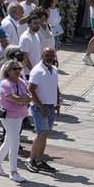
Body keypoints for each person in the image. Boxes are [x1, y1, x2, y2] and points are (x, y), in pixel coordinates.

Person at [27, 46, 61, 174]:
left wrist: (57, 102)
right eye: (47, 55)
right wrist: (41, 106)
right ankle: (31, 160)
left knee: (45, 134)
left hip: (51, 106)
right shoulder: (37, 71)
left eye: (52, 55)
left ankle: (40, 160)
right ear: (42, 56)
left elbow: (55, 87)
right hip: (40, 107)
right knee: (41, 133)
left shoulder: (54, 69)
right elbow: (31, 89)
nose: (50, 58)